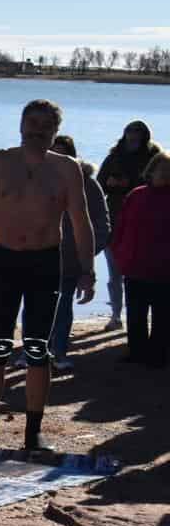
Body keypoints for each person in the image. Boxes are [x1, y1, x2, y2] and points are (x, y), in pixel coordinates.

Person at [0, 99, 96, 452]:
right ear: (20, 125)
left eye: (45, 125)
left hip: (44, 264)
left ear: (55, 131)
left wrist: (88, 270)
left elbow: (81, 221)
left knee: (37, 349)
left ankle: (33, 432)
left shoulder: (66, 169)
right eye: (31, 122)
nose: (36, 130)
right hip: (4, 262)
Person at [48, 136, 110, 372]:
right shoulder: (34, 178)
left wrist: (87, 253)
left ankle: (59, 353)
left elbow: (102, 223)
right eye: (54, 152)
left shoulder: (87, 184)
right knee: (35, 306)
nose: (58, 158)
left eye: (64, 153)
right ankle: (32, 351)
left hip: (71, 259)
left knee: (63, 305)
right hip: (37, 255)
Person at [97, 120, 160, 332]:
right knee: (115, 272)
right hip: (113, 221)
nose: (133, 138)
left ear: (145, 137)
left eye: (137, 134)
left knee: (140, 273)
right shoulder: (113, 158)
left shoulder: (153, 159)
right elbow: (98, 187)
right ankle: (116, 316)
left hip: (144, 224)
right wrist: (111, 185)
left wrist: (129, 185)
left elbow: (157, 188)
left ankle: (148, 316)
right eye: (129, 134)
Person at [112, 152, 170, 368]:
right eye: (161, 169)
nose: (164, 174)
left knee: (162, 316)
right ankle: (136, 352)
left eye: (169, 171)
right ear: (151, 170)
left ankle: (158, 355)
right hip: (135, 266)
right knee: (135, 314)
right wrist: (118, 253)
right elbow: (121, 227)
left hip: (164, 270)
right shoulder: (136, 195)